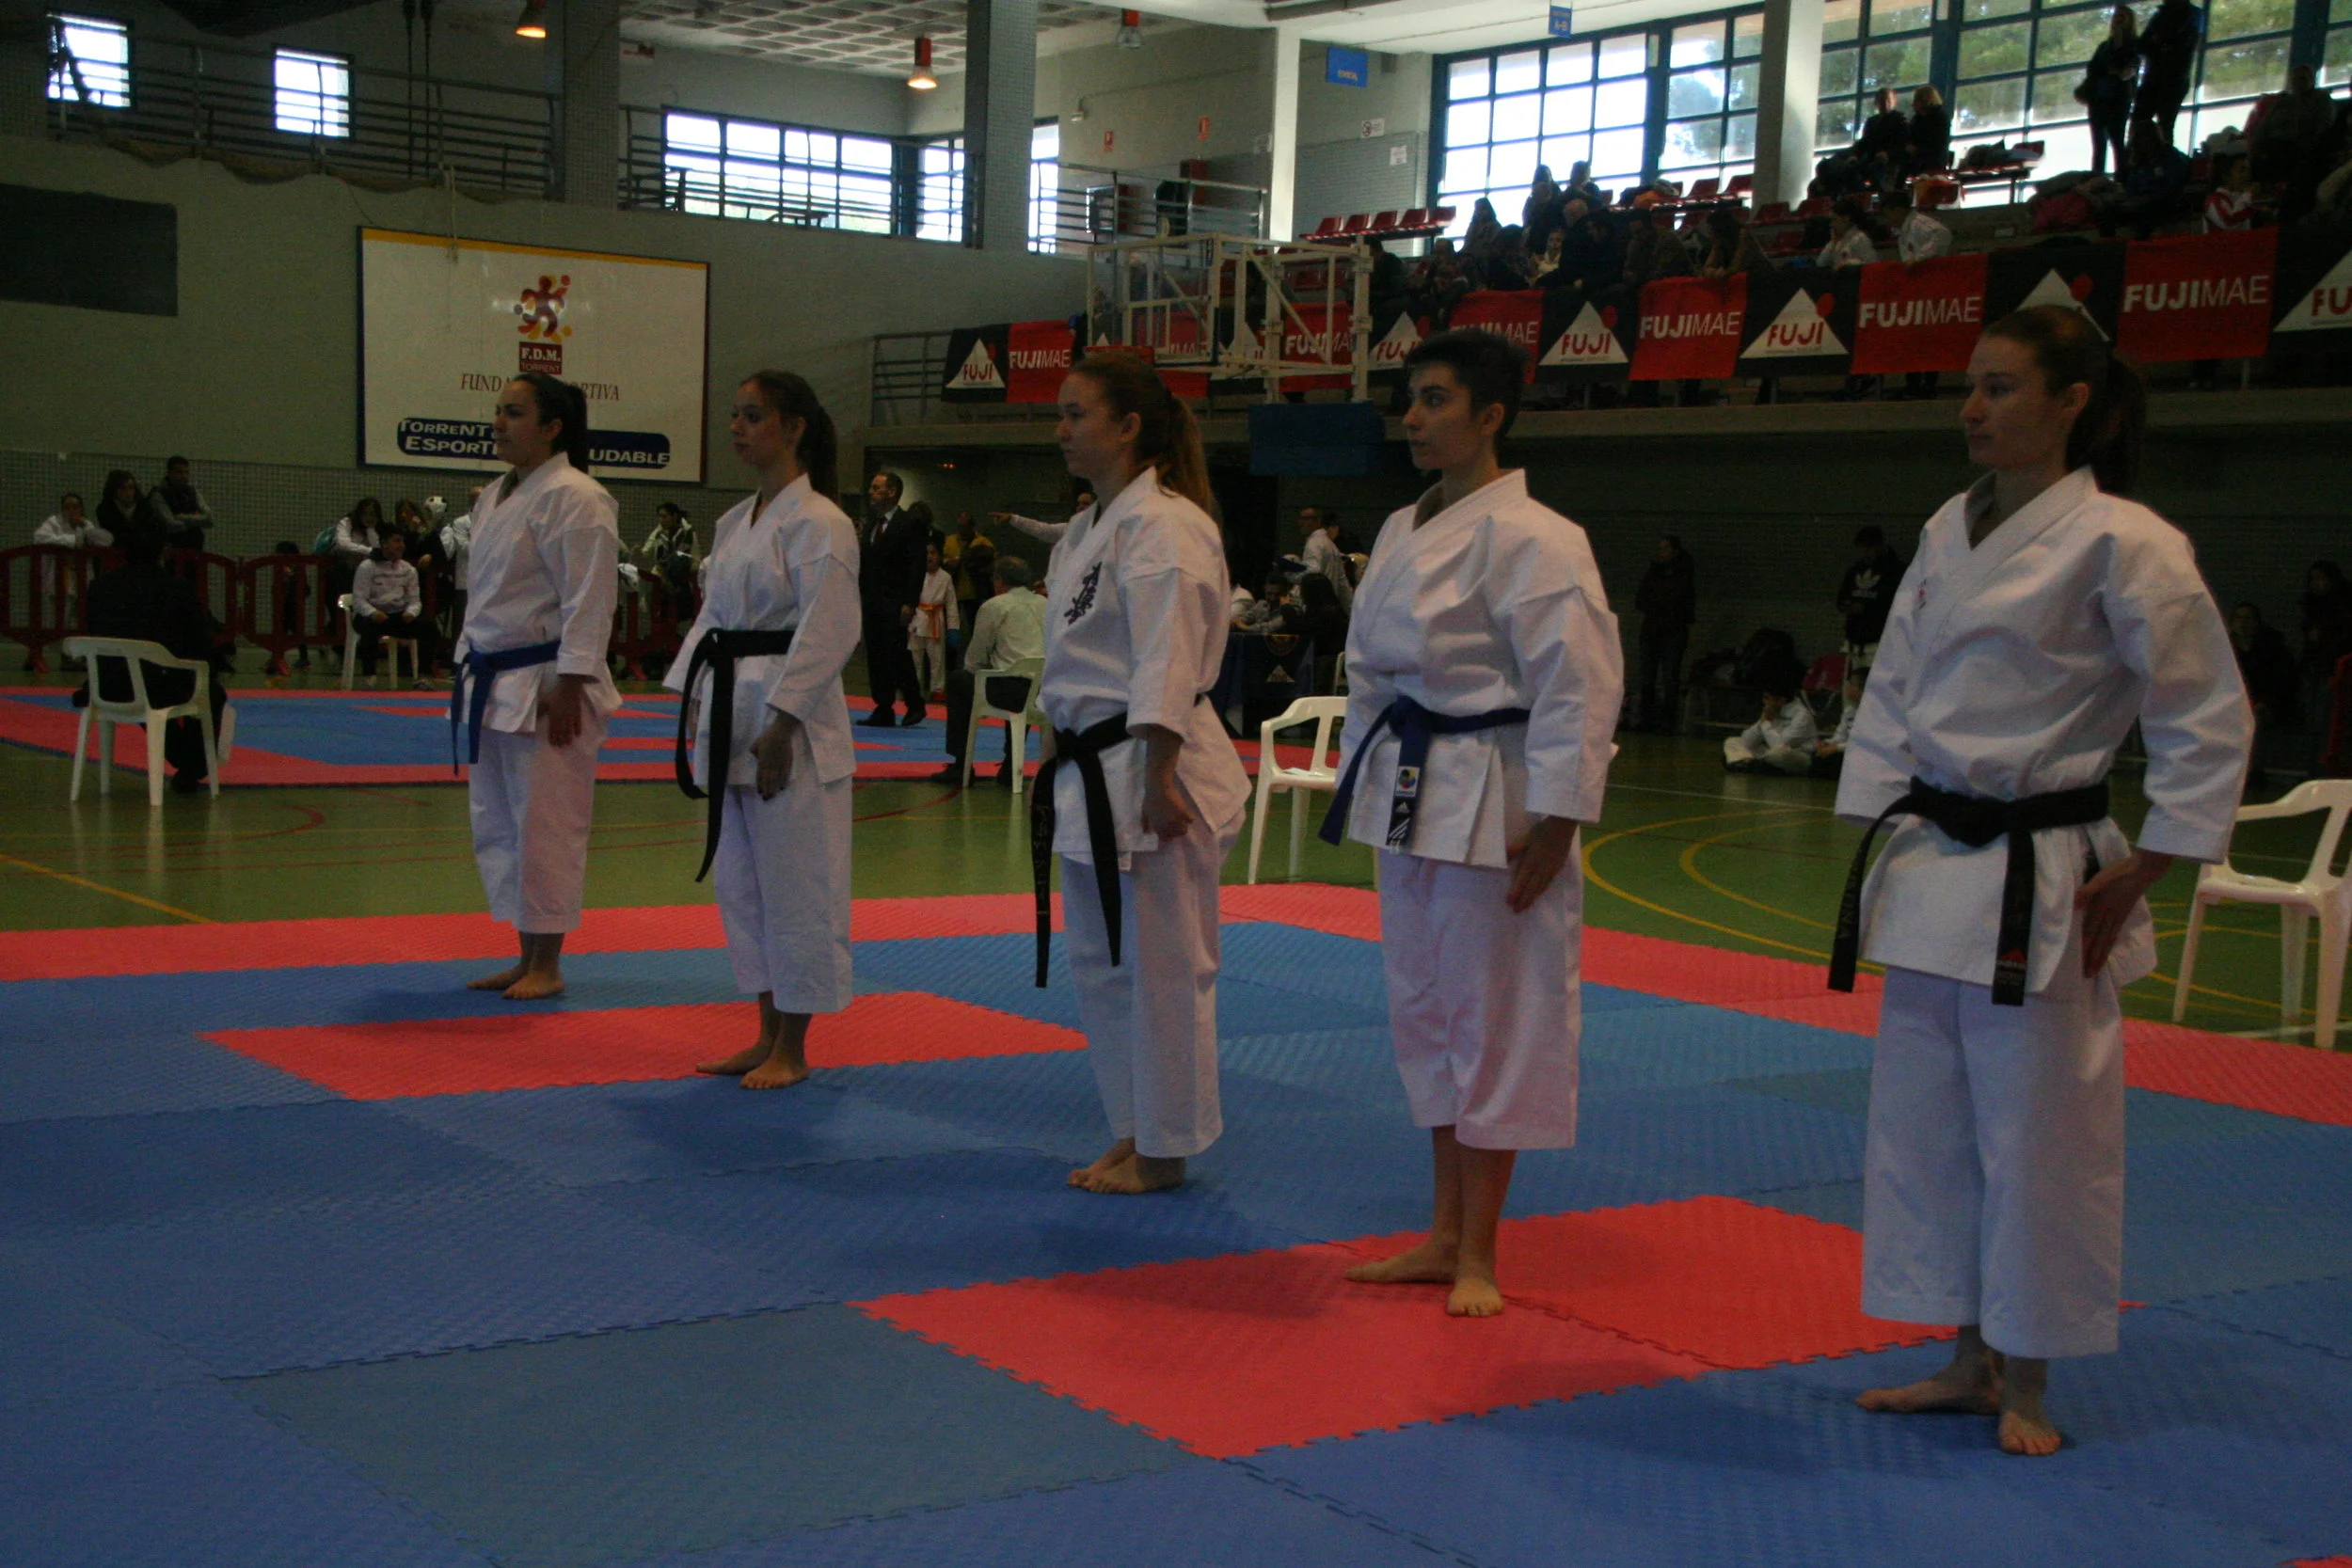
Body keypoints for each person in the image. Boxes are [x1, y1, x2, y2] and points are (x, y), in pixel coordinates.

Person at [1831, 305, 2251, 1457]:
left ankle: (2029, 1376)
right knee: (1930, 1128)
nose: (1973, 407)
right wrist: (1875, 823)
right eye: (1970, 384)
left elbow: (2203, 709)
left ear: (2073, 403)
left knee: (2038, 1135)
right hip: (1934, 861)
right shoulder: (1946, 526)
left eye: (2002, 386)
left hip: (2044, 870)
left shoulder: (2126, 540)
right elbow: (1892, 686)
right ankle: (1964, 1357)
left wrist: (2155, 855)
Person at [1323, 327, 1622, 1318]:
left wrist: (1559, 820)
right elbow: (1367, 671)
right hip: (1412, 790)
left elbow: (1579, 686)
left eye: (1437, 398)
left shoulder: (1540, 536)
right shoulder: (1402, 526)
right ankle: (1443, 1232)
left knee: (1494, 1017)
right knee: (1428, 1013)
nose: (1413, 416)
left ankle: (1480, 1252)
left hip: (1499, 796)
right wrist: (1362, 781)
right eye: (1411, 397)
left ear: (1491, 416)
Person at [1033, 351, 1250, 1197]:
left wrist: (1160, 773)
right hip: (1093, 767)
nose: (1060, 429)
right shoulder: (1087, 530)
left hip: (1156, 766)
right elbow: (1074, 662)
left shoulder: (1166, 525)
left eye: (1075, 413)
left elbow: (1168, 654)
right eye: (1059, 412)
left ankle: (1167, 1148)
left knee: (1164, 969)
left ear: (1127, 427)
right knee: (1103, 964)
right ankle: (1133, 1128)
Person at [668, 371, 861, 1091]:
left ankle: (795, 1046)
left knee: (797, 885)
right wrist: (690, 698)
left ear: (794, 427)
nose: (737, 428)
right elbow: (711, 620)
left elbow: (830, 628)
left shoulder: (822, 521)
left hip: (791, 720)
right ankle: (764, 1032)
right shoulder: (734, 522)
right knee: (744, 884)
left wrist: (784, 722)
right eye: (735, 415)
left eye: (753, 416)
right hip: (730, 702)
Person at [453, 373, 622, 1003]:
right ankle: (525, 955)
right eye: (498, 410)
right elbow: (487, 596)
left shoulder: (578, 496)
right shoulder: (496, 495)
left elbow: (590, 597)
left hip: (550, 682)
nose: (498, 422)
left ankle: (548, 962)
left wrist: (573, 680)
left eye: (515, 412)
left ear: (552, 427)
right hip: (494, 678)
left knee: (547, 824)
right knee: (500, 823)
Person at [79, 515, 231, 792]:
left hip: (107, 685)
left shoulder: (100, 587)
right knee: (210, 692)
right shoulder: (177, 589)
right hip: (158, 684)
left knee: (141, 687)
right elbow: (198, 643)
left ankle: (189, 764)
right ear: (164, 550)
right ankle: (193, 767)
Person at [935, 557, 1048, 786]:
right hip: (1044, 692)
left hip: (1011, 690)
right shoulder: (1045, 604)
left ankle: (961, 765)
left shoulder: (995, 606)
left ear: (999, 580)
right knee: (1024, 682)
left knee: (958, 681)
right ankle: (1010, 765)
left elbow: (975, 660)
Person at [857, 470, 930, 726]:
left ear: (892, 492)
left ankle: (915, 703)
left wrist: (910, 603)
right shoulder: (871, 525)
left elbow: (916, 566)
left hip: (896, 601)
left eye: (876, 488)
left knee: (896, 652)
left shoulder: (909, 523)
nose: (871, 492)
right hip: (872, 600)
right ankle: (883, 706)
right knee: (876, 654)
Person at [1631, 535, 1695, 733]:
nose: (1660, 553)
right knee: (1647, 676)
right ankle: (1647, 718)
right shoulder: (1653, 572)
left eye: (1665, 548)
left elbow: (1678, 601)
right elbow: (1640, 599)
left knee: (1670, 676)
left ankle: (1667, 720)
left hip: (1672, 630)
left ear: (1675, 551)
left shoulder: (1683, 574)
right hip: (1652, 630)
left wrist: (1657, 603)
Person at [350, 527, 426, 687]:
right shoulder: (367, 567)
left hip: (397, 615)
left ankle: (423, 675)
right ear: (384, 544)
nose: (402, 546)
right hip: (372, 615)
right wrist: (373, 612)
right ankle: (369, 675)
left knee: (429, 629)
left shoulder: (408, 569)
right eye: (397, 541)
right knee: (369, 628)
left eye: (403, 541)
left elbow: (415, 600)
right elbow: (358, 600)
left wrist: (411, 613)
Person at [2231, 602, 2296, 785]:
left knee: (2255, 720)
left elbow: (2281, 682)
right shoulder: (2224, 650)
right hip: (2232, 704)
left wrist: (2264, 702)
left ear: (2257, 622)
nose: (2243, 623)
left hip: (2264, 705)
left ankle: (2253, 772)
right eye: (2239, 618)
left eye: (2248, 618)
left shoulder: (2272, 650)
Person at [2298, 560, 2352, 772]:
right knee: (2312, 723)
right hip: (2314, 668)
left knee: (2325, 724)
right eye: (2313, 580)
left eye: (2321, 579)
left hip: (2333, 671)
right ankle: (2312, 769)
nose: (2317, 584)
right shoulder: (2312, 606)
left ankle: (2320, 770)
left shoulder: (2343, 608)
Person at [1723, 662, 1819, 773]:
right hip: (1770, 750)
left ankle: (1748, 762)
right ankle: (1747, 763)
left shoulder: (1802, 715)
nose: (1764, 701)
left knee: (1777, 753)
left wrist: (1766, 723)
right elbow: (1747, 741)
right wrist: (1762, 721)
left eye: (1767, 698)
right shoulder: (1772, 709)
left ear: (1781, 700)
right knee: (1733, 741)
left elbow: (1780, 744)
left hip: (1796, 755)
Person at [1836, 526, 1909, 671]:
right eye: (1862, 548)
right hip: (1855, 639)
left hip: (1881, 640)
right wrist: (1847, 606)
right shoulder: (1856, 570)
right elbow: (1842, 597)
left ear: (1880, 545)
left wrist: (1868, 608)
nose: (1865, 552)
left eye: (1869, 547)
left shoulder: (1896, 572)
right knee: (1853, 680)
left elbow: (1899, 604)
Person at [2134, 0, 2202, 151]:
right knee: (2149, 124)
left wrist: (2157, 43)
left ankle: (2159, 160)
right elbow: (2142, 46)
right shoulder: (2163, 15)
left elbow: (2184, 44)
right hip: (2160, 80)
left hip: (2172, 80)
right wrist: (2162, 44)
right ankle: (2148, 159)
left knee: (2163, 126)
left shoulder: (2191, 15)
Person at [2083, 8, 2141, 177]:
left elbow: (2124, 71)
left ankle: (2119, 180)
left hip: (2117, 101)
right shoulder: (2105, 46)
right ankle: (2099, 179)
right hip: (2101, 101)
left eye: (2121, 17)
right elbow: (2093, 69)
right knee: (2101, 146)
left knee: (2116, 144)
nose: (2117, 20)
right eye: (2116, 16)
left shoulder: (2131, 47)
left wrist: (2111, 69)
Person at [941, 510, 997, 656]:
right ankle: (951, 659)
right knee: (951, 630)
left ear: (972, 526)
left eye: (965, 526)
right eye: (959, 526)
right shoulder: (949, 541)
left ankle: (976, 658)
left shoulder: (983, 542)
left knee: (976, 630)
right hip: (953, 593)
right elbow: (941, 560)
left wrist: (970, 559)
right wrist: (949, 562)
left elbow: (991, 563)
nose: (962, 530)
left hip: (975, 594)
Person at [910, 537, 959, 702]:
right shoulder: (915, 573)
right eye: (926, 553)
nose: (929, 556)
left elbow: (951, 605)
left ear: (940, 556)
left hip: (936, 619)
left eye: (933, 553)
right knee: (914, 656)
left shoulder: (945, 578)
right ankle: (913, 688)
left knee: (937, 657)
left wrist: (953, 628)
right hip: (917, 618)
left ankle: (937, 688)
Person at [440, 485, 483, 644]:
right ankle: (457, 658)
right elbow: (464, 549)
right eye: (478, 499)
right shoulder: (461, 523)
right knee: (461, 627)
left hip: (486, 583)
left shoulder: (494, 520)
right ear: (471, 501)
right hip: (464, 583)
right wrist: (488, 545)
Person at [1812, 668, 1866, 778]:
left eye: (1852, 685)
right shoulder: (1849, 711)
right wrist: (1827, 743)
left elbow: (1864, 743)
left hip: (1862, 754)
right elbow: (1840, 736)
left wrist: (1836, 748)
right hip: (1845, 750)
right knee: (1817, 756)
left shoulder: (1874, 714)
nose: (1848, 688)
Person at [1298, 506, 1355, 610]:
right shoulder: (1331, 545)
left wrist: (1290, 574)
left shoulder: (1314, 543)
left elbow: (1313, 572)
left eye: (1305, 519)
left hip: (1315, 607)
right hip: (1329, 609)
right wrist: (1351, 611)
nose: (1300, 523)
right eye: (1300, 518)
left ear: (1318, 521)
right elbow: (1342, 583)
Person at [151, 456, 212, 549]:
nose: (184, 476)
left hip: (195, 547)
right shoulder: (159, 495)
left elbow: (208, 517)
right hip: (173, 548)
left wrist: (183, 517)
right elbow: (171, 525)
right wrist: (197, 520)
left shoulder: (193, 492)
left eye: (186, 472)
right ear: (169, 473)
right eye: (179, 472)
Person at [1819, 197, 1883, 270]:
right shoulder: (1836, 241)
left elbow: (1873, 264)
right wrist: (1833, 242)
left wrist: (1848, 263)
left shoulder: (1860, 238)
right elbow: (1820, 264)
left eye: (1834, 219)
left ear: (1846, 218)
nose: (1832, 224)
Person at [1904, 86, 1951, 180]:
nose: (1913, 104)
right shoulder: (1918, 118)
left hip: (1932, 161)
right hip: (1919, 161)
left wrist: (1917, 149)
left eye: (1916, 100)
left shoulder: (1939, 118)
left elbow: (1938, 143)